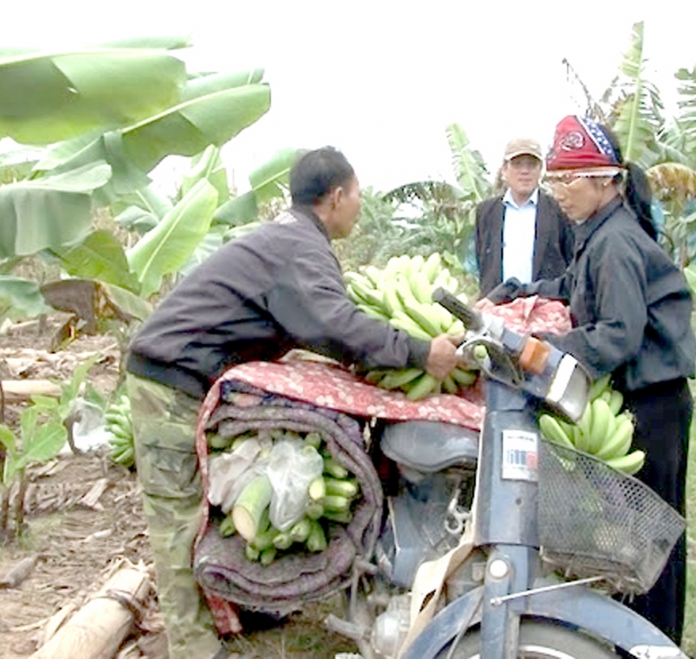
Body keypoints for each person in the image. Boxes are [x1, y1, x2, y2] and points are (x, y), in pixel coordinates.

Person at [125, 146, 461, 659]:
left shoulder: (292, 237)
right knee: (177, 517)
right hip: (170, 379)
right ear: (337, 196)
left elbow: (316, 322)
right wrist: (418, 352)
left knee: (205, 511)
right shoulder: (299, 245)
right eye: (357, 194)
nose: (360, 205)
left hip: (188, 374)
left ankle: (241, 610)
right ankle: (194, 649)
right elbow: (331, 322)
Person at [485, 115, 696, 646]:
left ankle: (655, 642)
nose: (560, 192)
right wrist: (519, 292)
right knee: (636, 529)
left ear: (605, 180)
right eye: (555, 181)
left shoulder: (617, 244)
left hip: (655, 402)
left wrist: (543, 349)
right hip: (644, 396)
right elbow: (573, 285)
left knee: (653, 535)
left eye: (568, 180)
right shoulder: (598, 234)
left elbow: (618, 336)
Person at [473, 137, 575, 297]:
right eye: (517, 164)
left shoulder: (558, 210)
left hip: (543, 307)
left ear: (540, 169)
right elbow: (482, 261)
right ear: (504, 170)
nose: (524, 171)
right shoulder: (486, 212)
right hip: (497, 305)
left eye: (531, 164)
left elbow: (571, 260)